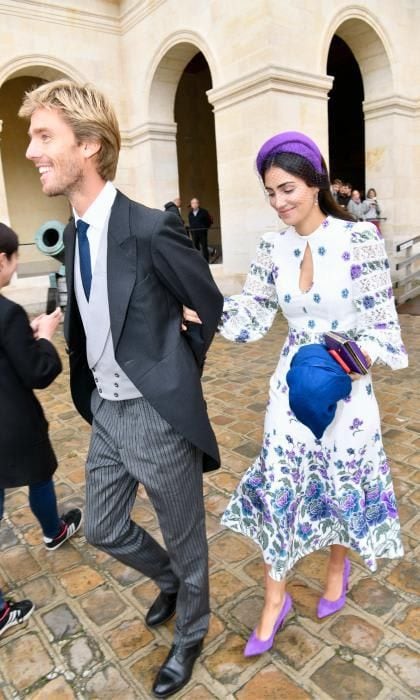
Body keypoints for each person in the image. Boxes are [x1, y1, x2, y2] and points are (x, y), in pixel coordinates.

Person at [20, 80, 223, 698]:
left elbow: (207, 302)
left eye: (44, 136)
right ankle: (168, 582)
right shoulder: (73, 231)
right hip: (105, 410)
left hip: (158, 413)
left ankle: (191, 631)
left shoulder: (150, 226)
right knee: (104, 528)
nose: (32, 151)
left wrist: (173, 369)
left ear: (88, 145)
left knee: (188, 541)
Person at [184, 131, 407, 657]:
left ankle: (337, 564)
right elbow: (253, 316)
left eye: (288, 189)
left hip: (347, 389)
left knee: (338, 482)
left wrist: (341, 367)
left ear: (315, 183)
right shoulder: (272, 247)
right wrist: (201, 311)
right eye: (270, 192)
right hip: (288, 389)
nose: (280, 202)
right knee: (282, 488)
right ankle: (274, 598)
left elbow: (382, 328)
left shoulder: (360, 240)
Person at [0, 222, 82, 638]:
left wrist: (24, 338)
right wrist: (46, 337)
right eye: (14, 258)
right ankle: (53, 531)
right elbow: (38, 372)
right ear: (3, 259)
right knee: (40, 475)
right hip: (12, 426)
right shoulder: (7, 312)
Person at [188, 198, 212, 262]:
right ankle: (198, 262)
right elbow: (190, 223)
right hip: (194, 233)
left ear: (198, 204)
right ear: (191, 205)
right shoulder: (190, 213)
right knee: (195, 247)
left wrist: (205, 228)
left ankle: (206, 261)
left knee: (204, 247)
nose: (194, 204)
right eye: (192, 203)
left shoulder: (204, 212)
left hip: (202, 232)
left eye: (195, 203)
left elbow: (209, 221)